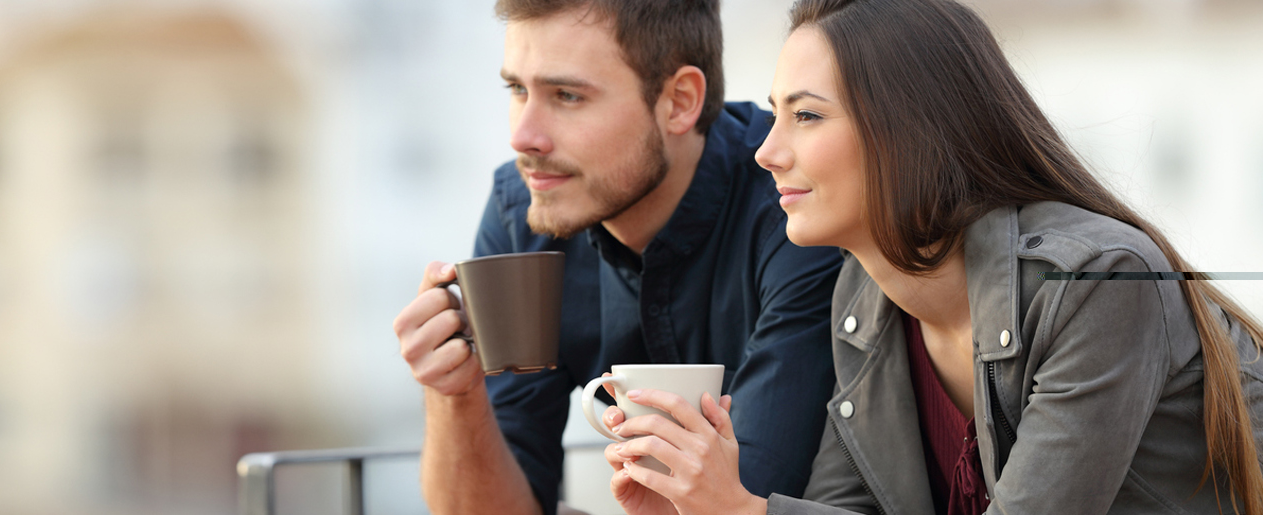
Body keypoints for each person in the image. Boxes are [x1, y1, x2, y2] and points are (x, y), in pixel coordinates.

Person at [600, 0, 1263, 514]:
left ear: (906, 132)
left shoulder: (1095, 283)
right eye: (774, 116)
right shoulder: (863, 298)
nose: (766, 152)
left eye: (806, 117)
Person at [389, 1, 844, 514]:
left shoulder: (794, 205)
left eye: (567, 95)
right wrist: (455, 393)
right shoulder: (523, 214)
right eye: (518, 90)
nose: (522, 137)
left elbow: (747, 496)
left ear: (679, 101)